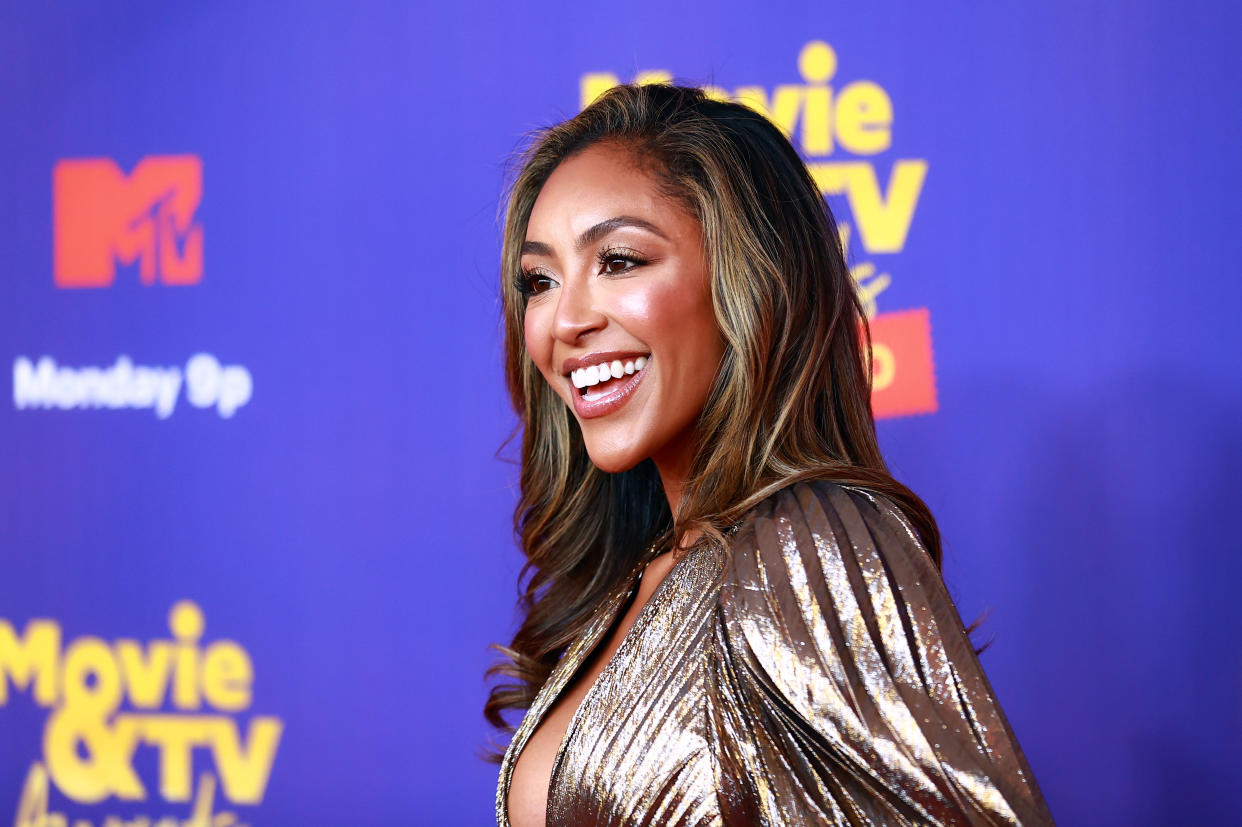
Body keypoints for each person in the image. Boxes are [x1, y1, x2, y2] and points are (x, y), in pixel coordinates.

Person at [486, 83, 1052, 826]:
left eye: (620, 261)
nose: (566, 320)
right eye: (540, 280)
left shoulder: (810, 541)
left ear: (751, 282)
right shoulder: (649, 572)